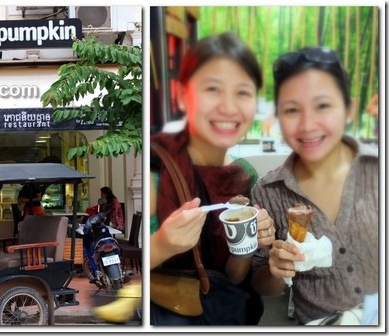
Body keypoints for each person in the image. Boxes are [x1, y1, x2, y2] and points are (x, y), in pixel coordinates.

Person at [149, 32, 275, 325]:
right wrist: (163, 244)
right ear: (183, 95)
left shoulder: (244, 174)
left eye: (243, 92)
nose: (229, 108)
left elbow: (232, 277)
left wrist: (247, 239)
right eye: (212, 89)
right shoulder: (157, 168)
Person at [250, 46, 379, 324]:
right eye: (292, 109)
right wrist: (276, 269)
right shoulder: (268, 191)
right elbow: (261, 284)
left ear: (348, 108)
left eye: (323, 105)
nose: (308, 125)